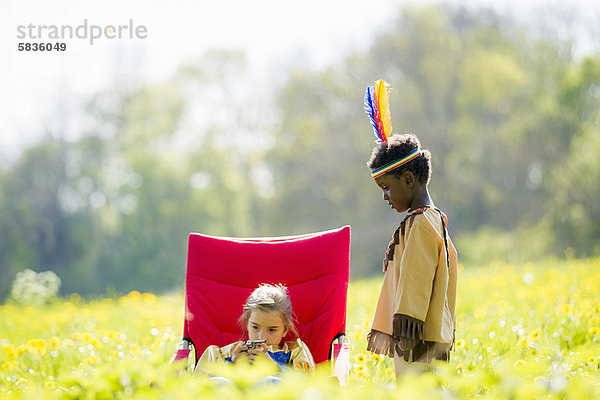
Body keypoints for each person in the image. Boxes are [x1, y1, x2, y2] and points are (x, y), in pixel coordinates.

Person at [363, 80, 458, 377]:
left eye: (386, 187)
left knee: (414, 390)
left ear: (407, 179)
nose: (385, 197)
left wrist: (407, 318)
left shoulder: (421, 223)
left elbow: (418, 274)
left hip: (416, 333)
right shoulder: (431, 219)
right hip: (423, 331)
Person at [195, 283, 315, 376]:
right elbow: (202, 385)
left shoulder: (293, 353)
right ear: (247, 323)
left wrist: (274, 367)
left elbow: (306, 384)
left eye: (272, 330)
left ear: (285, 330)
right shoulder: (228, 353)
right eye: (255, 327)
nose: (261, 337)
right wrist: (231, 364)